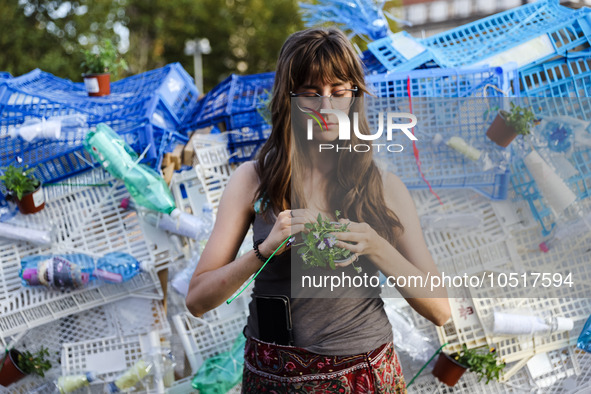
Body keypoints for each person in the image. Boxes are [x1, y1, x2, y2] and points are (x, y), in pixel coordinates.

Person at [186, 27, 451, 393]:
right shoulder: (252, 180)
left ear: (354, 98)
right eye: (310, 94)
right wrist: (263, 252)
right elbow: (197, 300)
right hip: (271, 378)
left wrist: (377, 246)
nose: (326, 108)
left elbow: (440, 310)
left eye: (338, 92)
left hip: (361, 376)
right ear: (288, 100)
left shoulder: (383, 187)